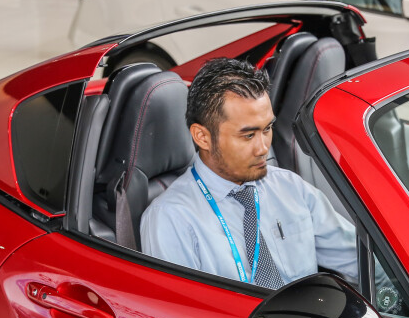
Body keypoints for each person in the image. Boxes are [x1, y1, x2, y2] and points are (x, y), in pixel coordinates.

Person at [140, 58, 360, 289]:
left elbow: (362, 263)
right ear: (202, 137)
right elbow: (181, 316)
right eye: (248, 135)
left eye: (267, 129)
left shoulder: (291, 188)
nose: (263, 148)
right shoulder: (170, 218)